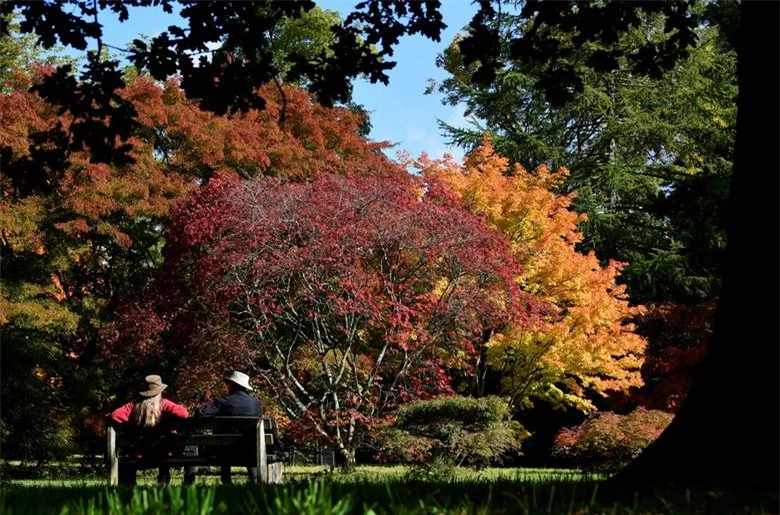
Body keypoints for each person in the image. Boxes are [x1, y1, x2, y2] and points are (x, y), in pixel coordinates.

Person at [110, 374, 189, 485]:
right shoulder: (164, 404)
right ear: (160, 390)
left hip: (139, 452)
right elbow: (184, 413)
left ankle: (129, 486)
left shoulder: (133, 405)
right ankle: (163, 482)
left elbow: (115, 415)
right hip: (163, 452)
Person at [189, 370, 263, 484]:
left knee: (224, 443)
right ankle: (254, 480)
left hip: (227, 449)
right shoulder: (256, 403)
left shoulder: (224, 402)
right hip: (251, 448)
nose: (227, 386)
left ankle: (226, 482)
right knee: (246, 445)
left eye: (228, 384)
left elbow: (200, 413)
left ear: (233, 385)